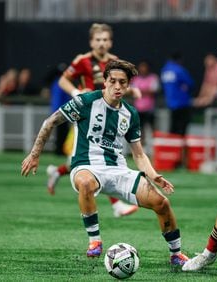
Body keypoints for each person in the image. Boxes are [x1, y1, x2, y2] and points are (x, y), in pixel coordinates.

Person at [21, 60, 189, 266]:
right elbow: (50, 122)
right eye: (113, 81)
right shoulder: (86, 102)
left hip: (118, 170)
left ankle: (176, 254)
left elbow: (138, 154)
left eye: (122, 82)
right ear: (105, 82)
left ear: (128, 86)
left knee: (162, 203)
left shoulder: (130, 113)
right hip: (86, 166)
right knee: (85, 184)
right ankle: (95, 241)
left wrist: (153, 174)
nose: (117, 86)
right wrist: (34, 154)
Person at [46, 23, 138, 217]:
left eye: (105, 39)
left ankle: (57, 172)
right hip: (87, 114)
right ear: (91, 42)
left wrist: (132, 90)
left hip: (109, 114)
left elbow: (119, 85)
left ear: (110, 42)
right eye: (98, 40)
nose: (101, 43)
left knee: (93, 158)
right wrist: (76, 92)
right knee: (95, 158)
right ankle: (117, 206)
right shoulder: (83, 61)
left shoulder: (115, 62)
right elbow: (63, 80)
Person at [161, 51, 195, 136]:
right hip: (182, 102)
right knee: (182, 128)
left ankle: (171, 146)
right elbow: (190, 83)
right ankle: (180, 148)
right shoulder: (179, 70)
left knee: (173, 127)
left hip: (170, 103)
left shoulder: (164, 70)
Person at [130, 60, 160, 145]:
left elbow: (154, 90)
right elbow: (132, 91)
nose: (143, 69)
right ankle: (142, 149)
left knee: (153, 129)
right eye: (141, 67)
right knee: (140, 130)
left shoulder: (153, 77)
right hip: (139, 109)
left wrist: (140, 90)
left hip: (150, 109)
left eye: (144, 67)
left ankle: (156, 148)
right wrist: (145, 90)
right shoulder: (136, 79)